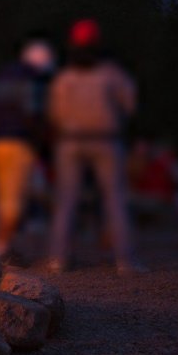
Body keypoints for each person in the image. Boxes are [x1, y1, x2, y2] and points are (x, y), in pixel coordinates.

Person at [48, 19, 143, 274]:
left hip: (70, 142)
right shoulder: (111, 73)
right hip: (106, 140)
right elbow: (130, 106)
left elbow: (55, 113)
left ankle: (59, 259)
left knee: (66, 201)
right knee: (115, 200)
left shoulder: (64, 77)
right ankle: (125, 261)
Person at [0, 39, 55, 262]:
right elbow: (32, 115)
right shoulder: (32, 81)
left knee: (5, 197)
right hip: (17, 144)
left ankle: (5, 245)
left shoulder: (2, 77)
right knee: (12, 203)